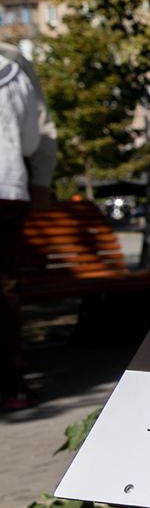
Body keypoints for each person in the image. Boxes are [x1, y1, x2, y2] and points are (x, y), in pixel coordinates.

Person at [0, 48, 54, 412]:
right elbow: (35, 138)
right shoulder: (13, 66)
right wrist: (41, 180)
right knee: (4, 287)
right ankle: (10, 382)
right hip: (7, 188)